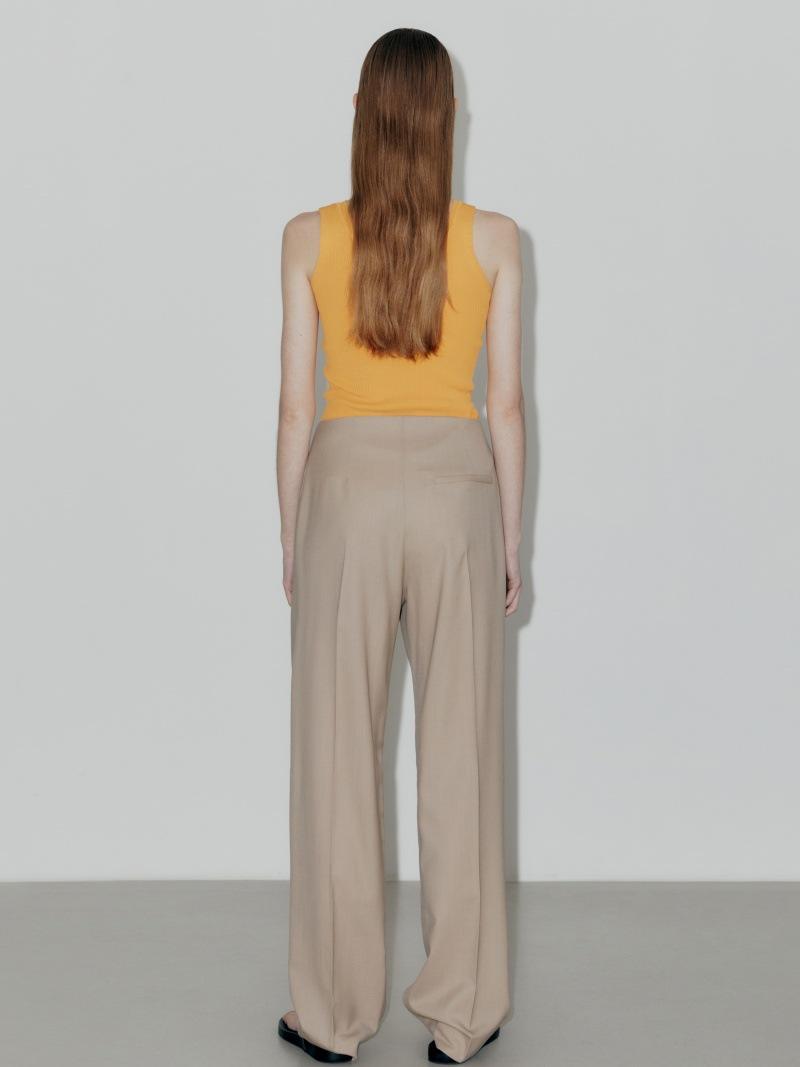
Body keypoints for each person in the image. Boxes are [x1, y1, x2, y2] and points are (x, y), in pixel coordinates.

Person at [275, 27, 524, 1065]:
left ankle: (333, 1014)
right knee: (461, 751)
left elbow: (296, 405)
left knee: (338, 752)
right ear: (447, 121)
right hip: (460, 489)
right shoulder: (496, 241)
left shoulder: (307, 237)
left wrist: (295, 532)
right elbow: (504, 404)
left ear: (360, 117)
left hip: (345, 490)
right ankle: (462, 1012)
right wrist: (511, 537)